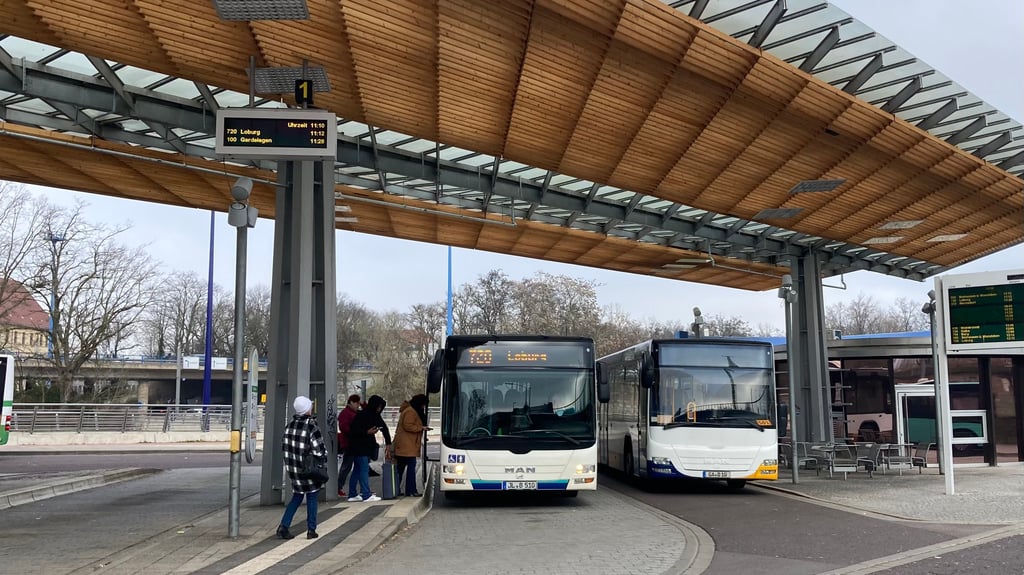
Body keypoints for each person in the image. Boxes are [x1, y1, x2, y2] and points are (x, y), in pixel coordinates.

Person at [277, 395, 326, 540]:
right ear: (306, 409)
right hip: (309, 469)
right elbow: (319, 450)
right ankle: (311, 529)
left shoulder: (289, 426)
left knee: (297, 497)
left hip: (294, 470)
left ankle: (284, 526)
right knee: (312, 496)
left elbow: (285, 448)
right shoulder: (311, 426)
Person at [347, 394, 392, 502]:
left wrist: (388, 444)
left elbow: (384, 428)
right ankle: (366, 494)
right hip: (360, 446)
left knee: (357, 470)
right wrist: (367, 432)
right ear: (374, 406)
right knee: (363, 469)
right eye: (378, 406)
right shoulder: (364, 415)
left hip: (359, 447)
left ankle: (352, 494)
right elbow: (353, 430)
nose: (379, 409)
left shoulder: (372, 415)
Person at [394, 394, 431, 497]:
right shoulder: (411, 411)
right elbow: (408, 425)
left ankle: (396, 489)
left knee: (400, 469)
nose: (423, 407)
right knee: (410, 467)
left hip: (405, 445)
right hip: (407, 445)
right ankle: (410, 490)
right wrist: (421, 428)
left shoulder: (409, 409)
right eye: (423, 405)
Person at [336, 394, 361, 497]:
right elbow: (344, 427)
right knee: (347, 466)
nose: (358, 405)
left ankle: (340, 487)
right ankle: (338, 486)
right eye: (357, 403)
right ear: (351, 402)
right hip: (349, 443)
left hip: (353, 442)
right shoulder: (346, 414)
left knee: (355, 466)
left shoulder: (352, 413)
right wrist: (354, 432)